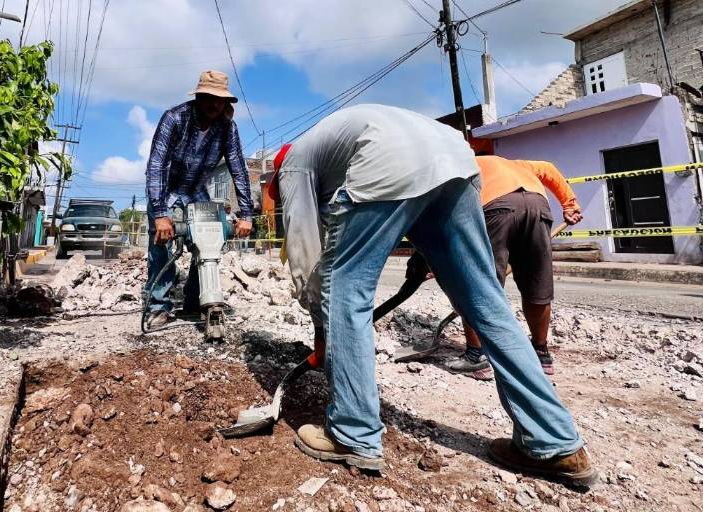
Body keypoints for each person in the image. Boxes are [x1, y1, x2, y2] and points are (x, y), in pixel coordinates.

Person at [270, 104, 596, 486]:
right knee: (486, 300)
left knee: (346, 292)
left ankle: (352, 432)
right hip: (455, 159)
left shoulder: (292, 164)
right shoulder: (332, 146)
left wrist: (322, 324)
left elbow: (304, 249)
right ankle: (554, 442)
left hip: (388, 157)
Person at [447, 156, 583, 380]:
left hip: (496, 207)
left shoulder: (460, 163)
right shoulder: (518, 164)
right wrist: (570, 206)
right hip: (538, 205)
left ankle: (476, 357)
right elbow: (549, 168)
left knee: (476, 285)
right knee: (536, 283)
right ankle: (541, 354)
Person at [144, 70, 253, 328]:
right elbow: (157, 165)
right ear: (198, 97)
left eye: (220, 100)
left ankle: (197, 301)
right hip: (167, 190)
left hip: (196, 191)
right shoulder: (174, 118)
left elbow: (238, 168)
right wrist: (160, 214)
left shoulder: (227, 128)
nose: (215, 104)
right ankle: (158, 307)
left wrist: (247, 214)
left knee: (208, 241)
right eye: (209, 98)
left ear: (225, 102)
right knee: (161, 246)